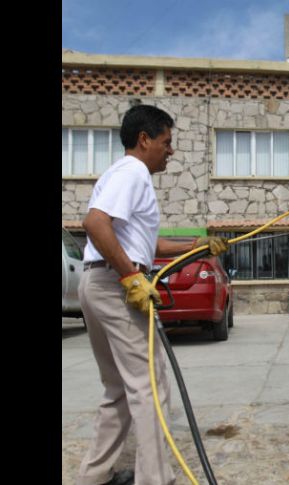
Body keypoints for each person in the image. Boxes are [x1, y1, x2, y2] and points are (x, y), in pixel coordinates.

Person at [77, 104, 228, 485]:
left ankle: (93, 476)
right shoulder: (133, 172)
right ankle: (155, 479)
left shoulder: (120, 173)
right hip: (114, 286)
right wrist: (131, 278)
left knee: (118, 388)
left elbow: (150, 241)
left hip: (96, 282)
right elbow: (94, 223)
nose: (170, 151)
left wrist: (197, 246)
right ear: (144, 140)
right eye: (166, 142)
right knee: (151, 386)